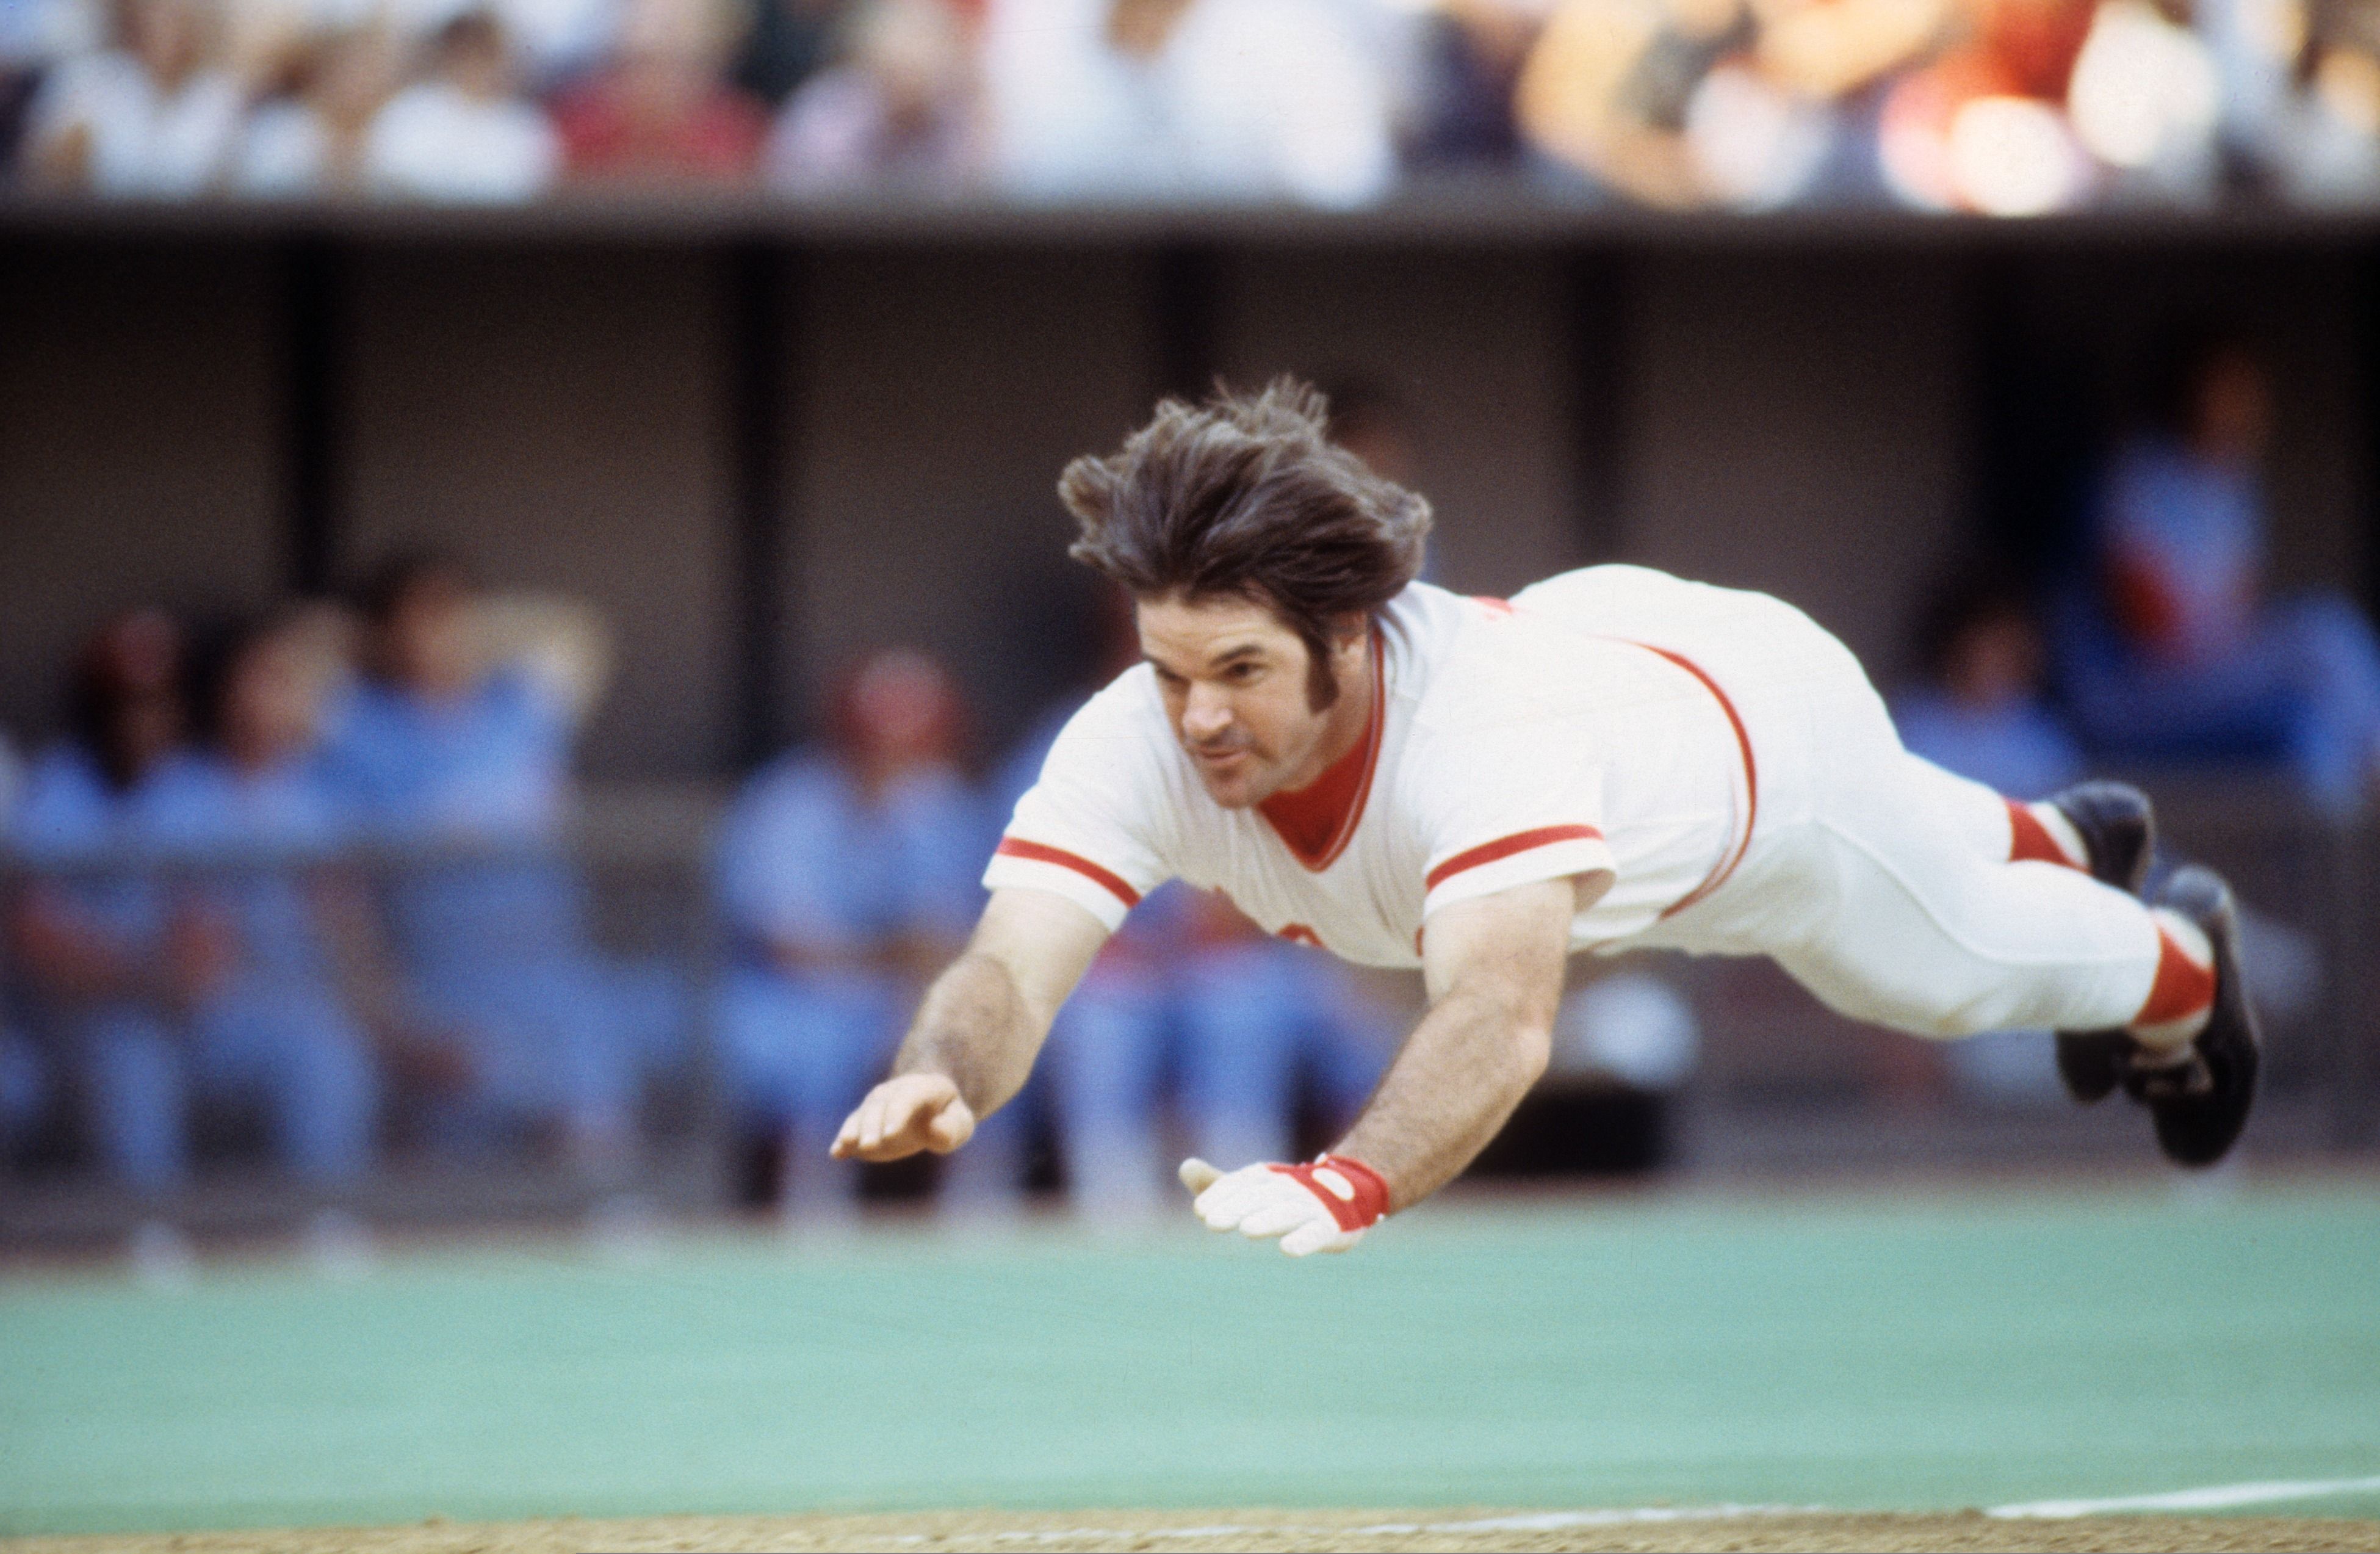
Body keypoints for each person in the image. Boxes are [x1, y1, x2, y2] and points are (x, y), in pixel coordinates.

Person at [832, 379, 2259, 1259]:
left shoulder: (1474, 732)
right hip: (1615, 651)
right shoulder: (1143, 728)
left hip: (1762, 755)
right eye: (1170, 666)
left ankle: (2183, 972)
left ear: (1350, 639)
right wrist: (943, 1066)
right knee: (1930, 841)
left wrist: (1353, 1176)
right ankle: (2051, 833)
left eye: (1243, 670)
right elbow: (1013, 961)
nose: (1196, 711)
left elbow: (1501, 1013)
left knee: (1930, 968)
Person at [319, 557, 643, 1168]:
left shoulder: (519, 707)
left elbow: (579, 629)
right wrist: (393, 1024)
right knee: (462, 1191)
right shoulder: (358, 729)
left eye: (446, 617)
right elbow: (341, 901)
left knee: (597, 1158)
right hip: (440, 984)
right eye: (409, 622)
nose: (430, 637)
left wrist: (471, 626)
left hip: (552, 978)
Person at [2058, 328, 2380, 816]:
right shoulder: (2138, 474)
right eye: (2229, 389)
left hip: (2204, 673)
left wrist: (2250, 653)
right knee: (2324, 632)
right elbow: (2150, 630)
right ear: (2192, 390)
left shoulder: (2233, 479)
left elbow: (2241, 605)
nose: (2245, 405)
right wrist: (2253, 653)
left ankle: (2344, 857)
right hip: (2135, 693)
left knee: (2311, 730)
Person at [712, 648, 985, 1217]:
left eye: (910, 739)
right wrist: (889, 956)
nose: (892, 754)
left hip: (892, 993)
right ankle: (807, 1215)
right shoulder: (787, 802)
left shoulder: (939, 802)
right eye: (877, 737)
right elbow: (784, 947)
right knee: (816, 1049)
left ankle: (978, 1214)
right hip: (787, 998)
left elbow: (953, 934)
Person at [20, 0, 242, 195]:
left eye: (174, 20)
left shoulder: (218, 95)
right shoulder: (88, 82)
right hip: (98, 228)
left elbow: (231, 186)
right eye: (153, 17)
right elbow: (37, 175)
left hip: (195, 232)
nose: (163, 29)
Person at [363, 9, 558, 201]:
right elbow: (390, 183)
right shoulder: (408, 114)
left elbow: (537, 194)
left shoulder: (526, 126)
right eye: (466, 52)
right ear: (448, 55)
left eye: (485, 54)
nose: (475, 65)